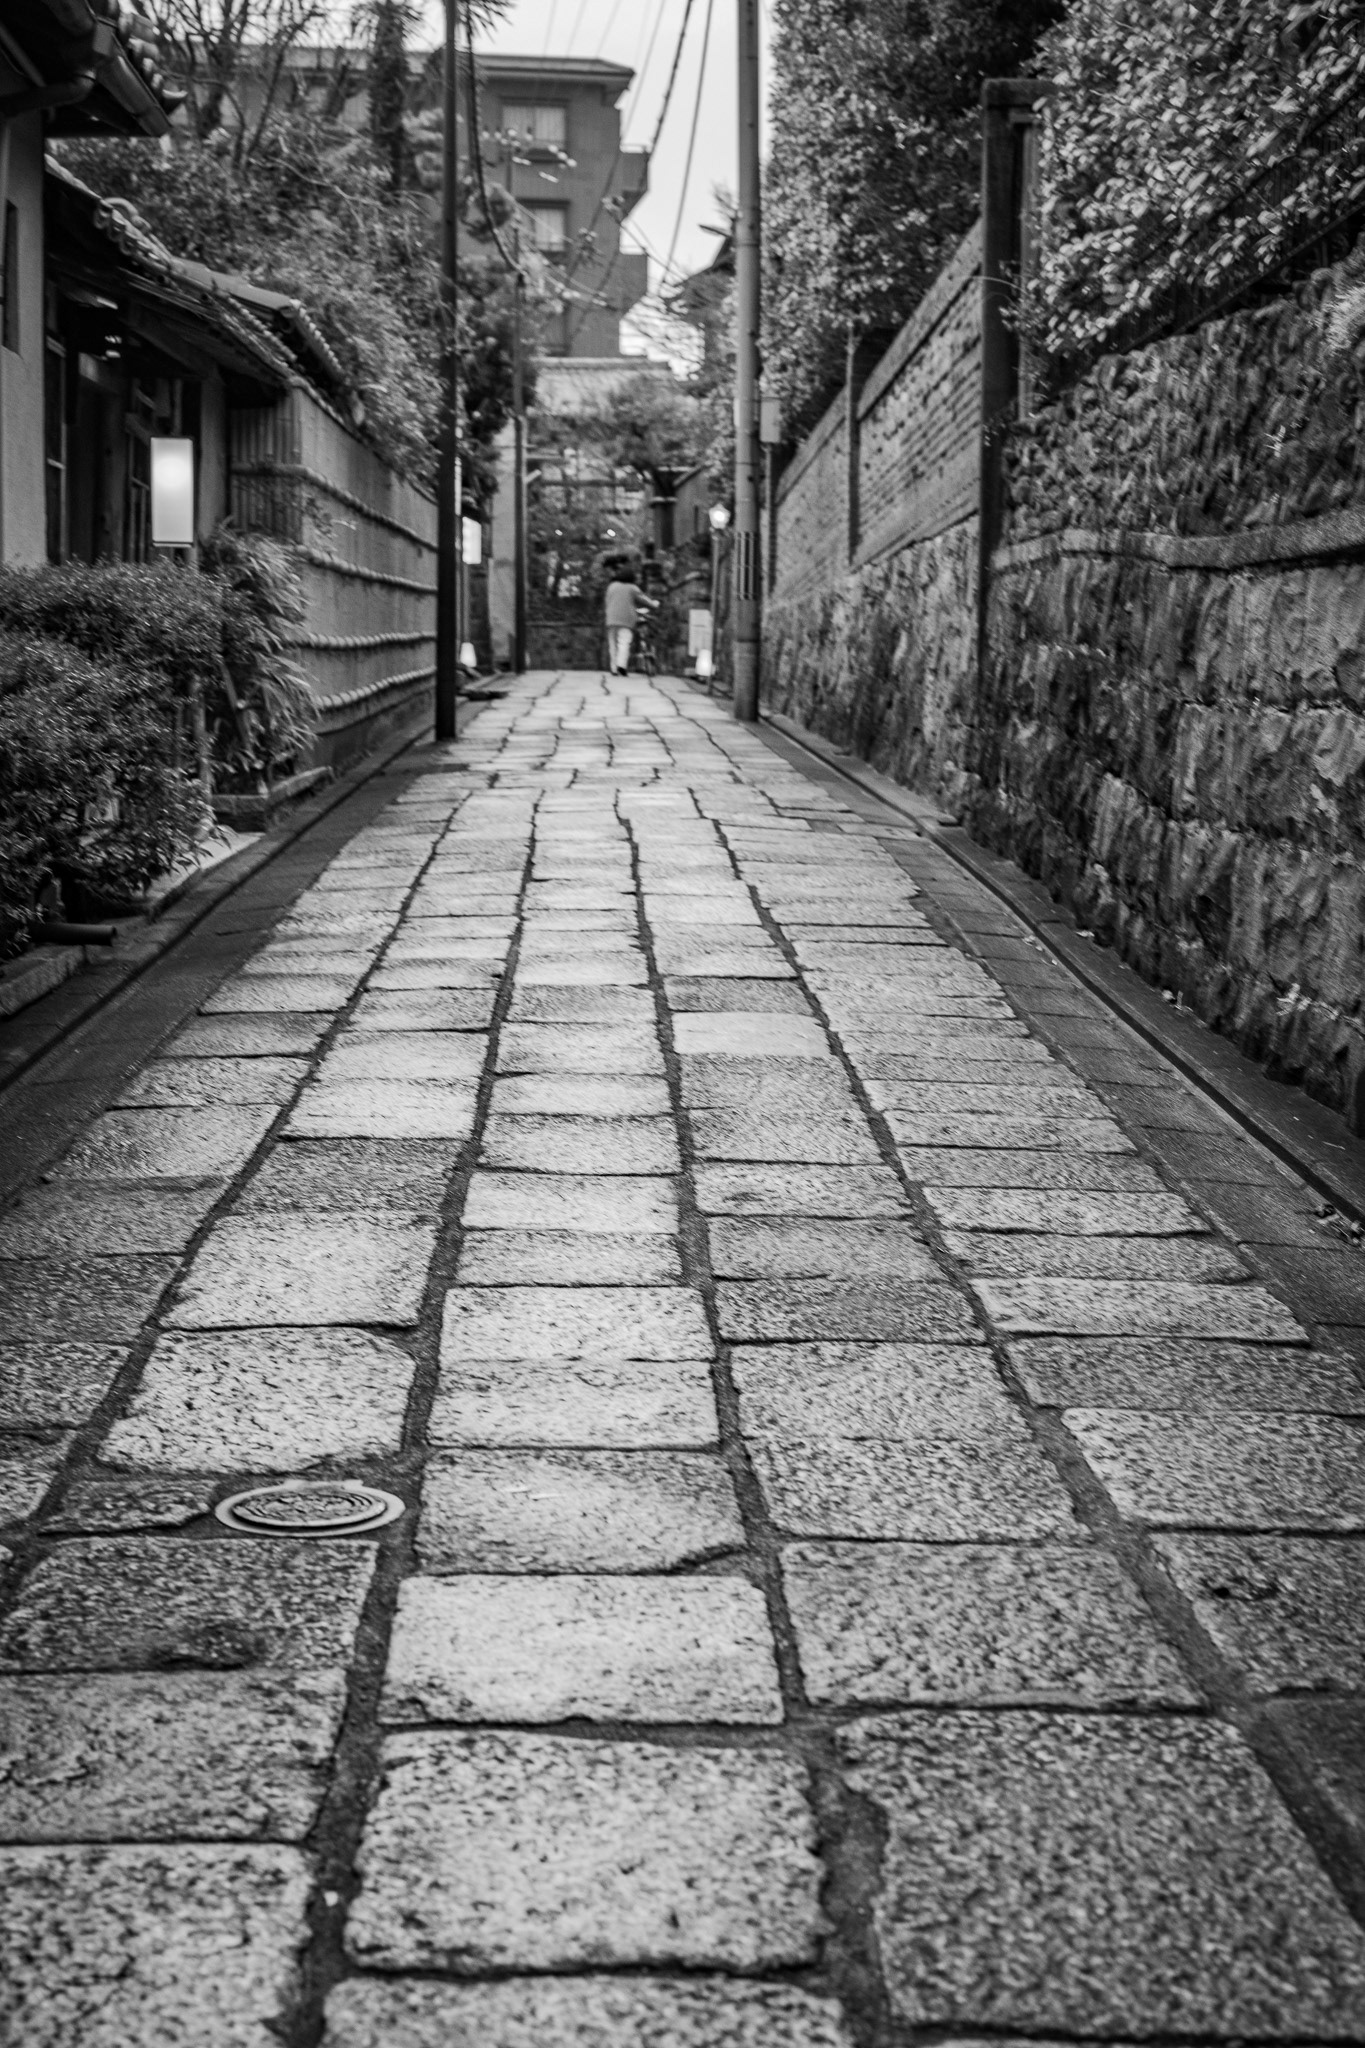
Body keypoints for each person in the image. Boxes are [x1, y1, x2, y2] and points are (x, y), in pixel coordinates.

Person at [603, 563, 657, 676]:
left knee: (612, 644)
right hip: (626, 620)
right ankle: (621, 666)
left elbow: (607, 602)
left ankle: (613, 668)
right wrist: (654, 604)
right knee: (624, 642)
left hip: (611, 618)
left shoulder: (611, 586)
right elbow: (643, 600)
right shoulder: (632, 588)